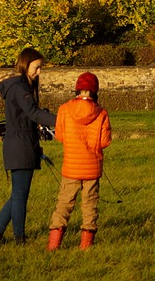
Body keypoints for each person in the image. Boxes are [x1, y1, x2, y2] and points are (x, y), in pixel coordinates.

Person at [0, 47, 56, 245]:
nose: (39, 72)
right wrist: (63, 119)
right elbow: (34, 113)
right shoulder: (20, 88)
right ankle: (20, 239)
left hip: (21, 143)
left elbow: (30, 117)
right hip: (20, 145)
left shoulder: (19, 87)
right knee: (20, 197)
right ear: (26, 64)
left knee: (17, 195)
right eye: (37, 67)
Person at [47, 71, 112, 252]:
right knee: (90, 205)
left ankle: (53, 245)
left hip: (71, 166)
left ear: (77, 88)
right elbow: (105, 142)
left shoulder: (64, 109)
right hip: (92, 167)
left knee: (64, 205)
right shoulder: (101, 112)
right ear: (95, 90)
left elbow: (59, 136)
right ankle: (86, 246)